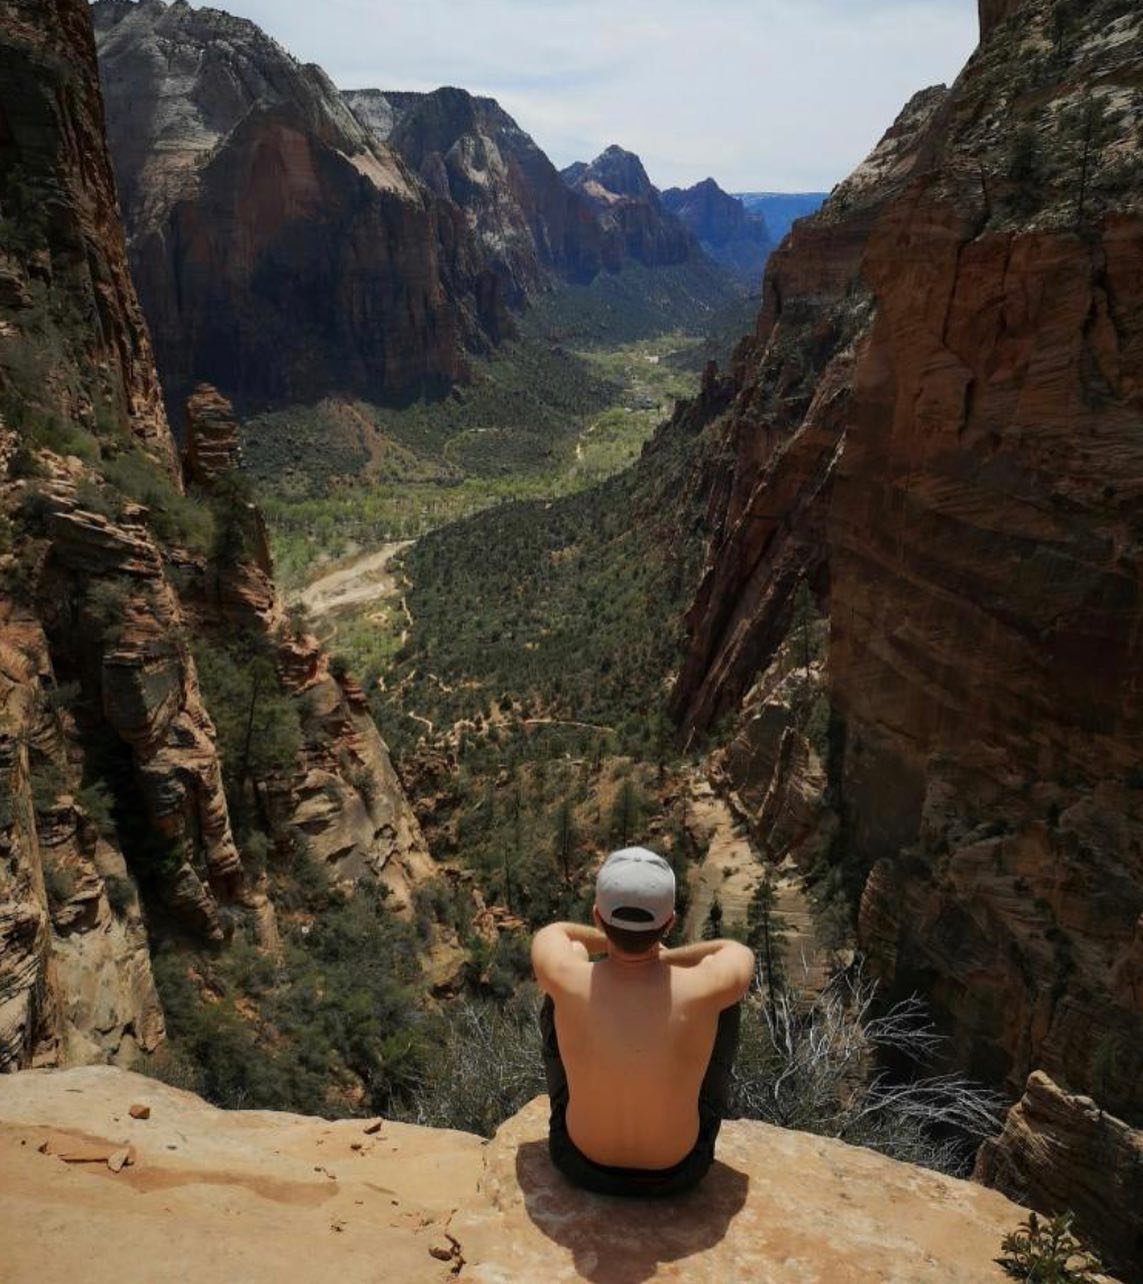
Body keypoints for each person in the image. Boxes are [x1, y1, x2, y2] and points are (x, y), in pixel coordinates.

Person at [531, 846, 754, 1198]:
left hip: (578, 1160)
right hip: (680, 1172)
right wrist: (662, 955)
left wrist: (617, 942)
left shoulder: (566, 975)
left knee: (557, 989)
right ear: (670, 922)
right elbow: (734, 952)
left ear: (598, 917)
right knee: (724, 1001)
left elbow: (560, 934)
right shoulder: (703, 986)